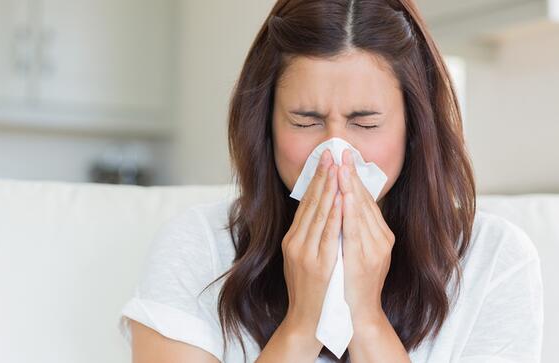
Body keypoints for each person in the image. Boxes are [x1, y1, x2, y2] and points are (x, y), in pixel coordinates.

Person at [118, 0, 544, 362]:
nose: (335, 154)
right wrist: (303, 324)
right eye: (306, 121)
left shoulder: (495, 260)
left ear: (413, 128)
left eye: (365, 123)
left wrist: (366, 319)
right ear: (263, 125)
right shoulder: (196, 247)